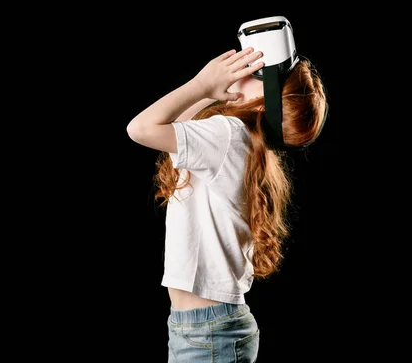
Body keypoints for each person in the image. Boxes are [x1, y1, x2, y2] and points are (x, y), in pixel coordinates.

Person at [126, 22, 328, 362]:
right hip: (204, 329)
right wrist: (210, 91)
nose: (243, 68)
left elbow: (140, 129)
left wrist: (201, 84)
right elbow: (179, 122)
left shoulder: (229, 134)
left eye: (256, 72)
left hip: (208, 334)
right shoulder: (237, 139)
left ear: (264, 104)